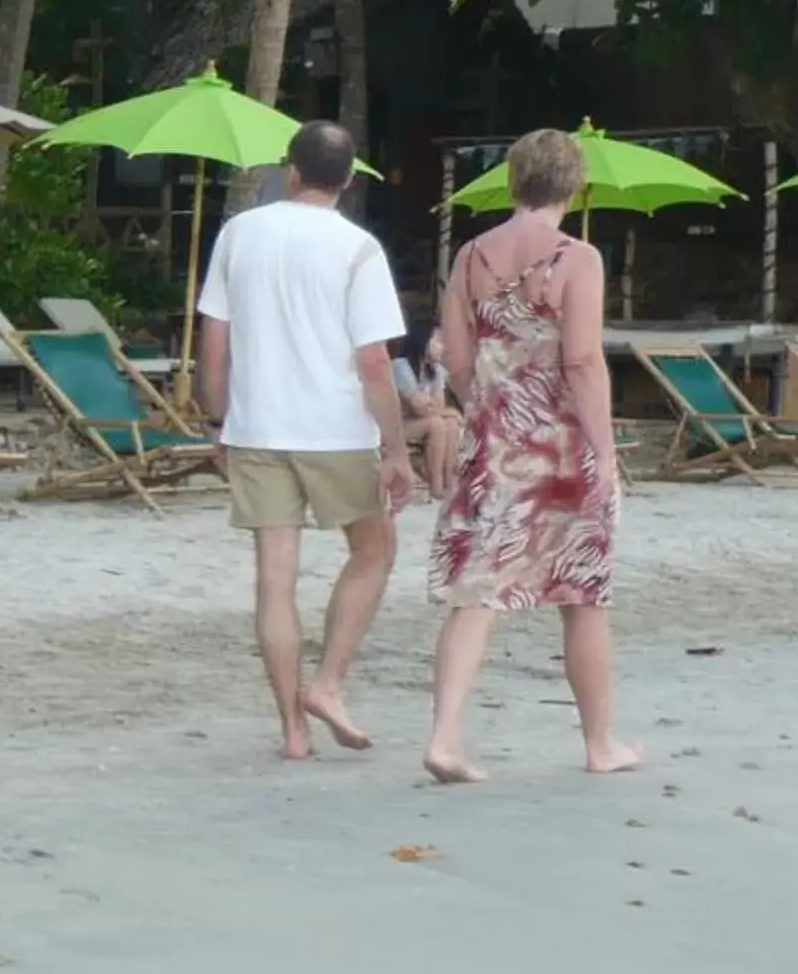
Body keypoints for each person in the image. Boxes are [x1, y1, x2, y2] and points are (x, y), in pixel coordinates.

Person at [423, 127, 638, 784]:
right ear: (574, 187)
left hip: (495, 442)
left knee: (477, 594)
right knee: (584, 593)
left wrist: (487, 401)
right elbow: (581, 359)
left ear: (514, 181)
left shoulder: (470, 257)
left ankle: (445, 737)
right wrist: (605, 449)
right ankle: (599, 743)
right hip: (562, 448)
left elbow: (456, 358)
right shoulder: (579, 259)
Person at [196, 120, 411, 761]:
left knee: (274, 583)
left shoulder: (239, 234)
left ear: (289, 171)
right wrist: (397, 449)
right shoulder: (358, 249)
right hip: (335, 428)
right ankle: (330, 683)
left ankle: (293, 731)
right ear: (347, 180)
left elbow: (213, 340)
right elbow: (374, 361)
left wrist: (217, 421)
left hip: (258, 425)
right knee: (373, 550)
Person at [393, 324, 464, 495]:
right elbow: (419, 409)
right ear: (423, 341)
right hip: (398, 424)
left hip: (419, 420)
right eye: (438, 341)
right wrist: (447, 410)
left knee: (451, 423)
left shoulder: (436, 370)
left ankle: (449, 481)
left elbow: (437, 405)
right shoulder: (400, 367)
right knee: (437, 423)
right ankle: (436, 484)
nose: (443, 347)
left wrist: (442, 410)